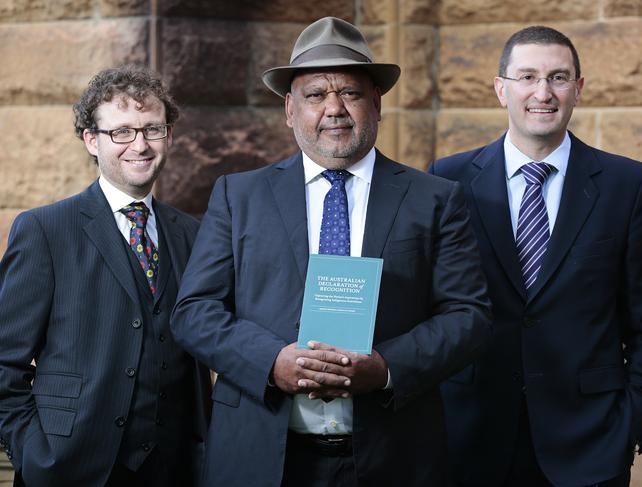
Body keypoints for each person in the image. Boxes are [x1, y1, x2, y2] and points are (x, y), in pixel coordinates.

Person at [170, 16, 491, 487]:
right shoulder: (239, 196)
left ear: (377, 104)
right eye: (316, 94)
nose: (334, 108)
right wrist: (271, 361)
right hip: (260, 453)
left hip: (393, 454)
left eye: (351, 93)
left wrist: (385, 369)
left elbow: (469, 315)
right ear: (290, 109)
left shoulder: (434, 199)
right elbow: (193, 311)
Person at [430, 25, 642, 487]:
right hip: (471, 435)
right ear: (500, 89)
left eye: (558, 77)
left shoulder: (628, 186)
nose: (542, 92)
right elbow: (433, 306)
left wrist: (632, 420)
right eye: (527, 76)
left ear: (578, 89)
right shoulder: (447, 181)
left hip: (589, 441)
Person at [0, 65, 211, 487]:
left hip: (176, 471)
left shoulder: (192, 234)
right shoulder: (44, 230)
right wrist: (34, 454)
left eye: (153, 129)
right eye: (122, 132)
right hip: (69, 469)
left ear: (168, 136)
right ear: (91, 140)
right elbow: (5, 362)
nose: (140, 144)